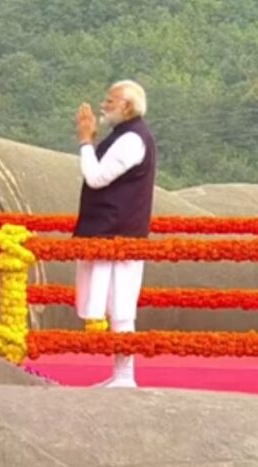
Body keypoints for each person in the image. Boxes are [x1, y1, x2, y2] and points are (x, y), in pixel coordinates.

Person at [72, 80, 157, 388]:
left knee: (121, 307)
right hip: (113, 233)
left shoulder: (132, 140)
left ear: (128, 107)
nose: (103, 106)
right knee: (115, 305)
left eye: (110, 101)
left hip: (119, 236)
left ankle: (125, 376)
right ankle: (120, 374)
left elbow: (96, 178)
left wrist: (85, 142)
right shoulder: (124, 136)